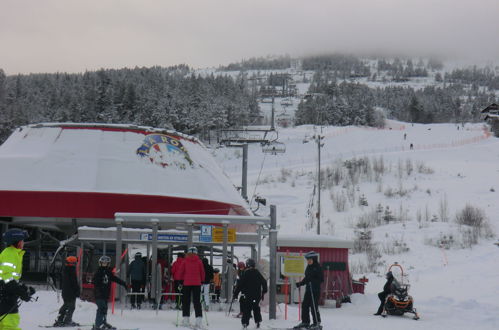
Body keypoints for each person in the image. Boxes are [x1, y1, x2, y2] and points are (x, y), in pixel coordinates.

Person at [0, 228, 36, 330]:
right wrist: (20, 291)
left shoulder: (13, 253)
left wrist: (24, 289)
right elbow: (6, 277)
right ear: (18, 242)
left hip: (5, 295)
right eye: (22, 241)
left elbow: (12, 278)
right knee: (10, 324)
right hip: (5, 297)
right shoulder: (10, 254)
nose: (23, 243)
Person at [92, 256, 127, 330]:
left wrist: (123, 283)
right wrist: (99, 288)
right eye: (103, 263)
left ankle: (103, 322)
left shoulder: (108, 272)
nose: (104, 264)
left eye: (106, 263)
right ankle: (98, 325)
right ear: (100, 263)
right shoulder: (98, 272)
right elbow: (95, 282)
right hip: (99, 294)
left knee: (105, 309)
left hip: (105, 294)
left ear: (108, 264)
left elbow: (114, 278)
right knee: (101, 309)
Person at [233, 259, 267, 329]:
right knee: (256, 307)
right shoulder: (257, 273)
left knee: (247, 309)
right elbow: (264, 282)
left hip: (248, 296)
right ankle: (258, 322)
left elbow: (240, 285)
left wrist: (235, 294)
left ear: (247, 265)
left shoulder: (246, 273)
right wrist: (264, 291)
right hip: (256, 296)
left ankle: (245, 323)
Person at [294, 251, 323, 329]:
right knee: (305, 306)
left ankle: (317, 322)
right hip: (308, 290)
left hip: (315, 290)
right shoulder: (308, 267)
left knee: (314, 307)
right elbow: (307, 278)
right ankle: (305, 322)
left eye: (310, 260)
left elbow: (321, 279)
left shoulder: (318, 268)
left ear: (314, 259)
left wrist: (312, 282)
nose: (308, 261)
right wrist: (300, 283)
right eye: (308, 260)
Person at [177, 247, 205, 328]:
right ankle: (198, 320)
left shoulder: (185, 261)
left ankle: (186, 319)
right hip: (197, 283)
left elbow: (181, 271)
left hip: (187, 283)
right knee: (197, 301)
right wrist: (202, 281)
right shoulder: (199, 261)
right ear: (196, 253)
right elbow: (202, 272)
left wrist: (180, 281)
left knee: (186, 301)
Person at [53, 256, 80, 327]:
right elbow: (74, 282)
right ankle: (67, 321)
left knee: (66, 305)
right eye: (75, 262)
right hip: (71, 293)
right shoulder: (71, 270)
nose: (76, 264)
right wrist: (77, 290)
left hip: (65, 292)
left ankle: (60, 319)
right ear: (72, 263)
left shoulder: (65, 270)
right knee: (71, 307)